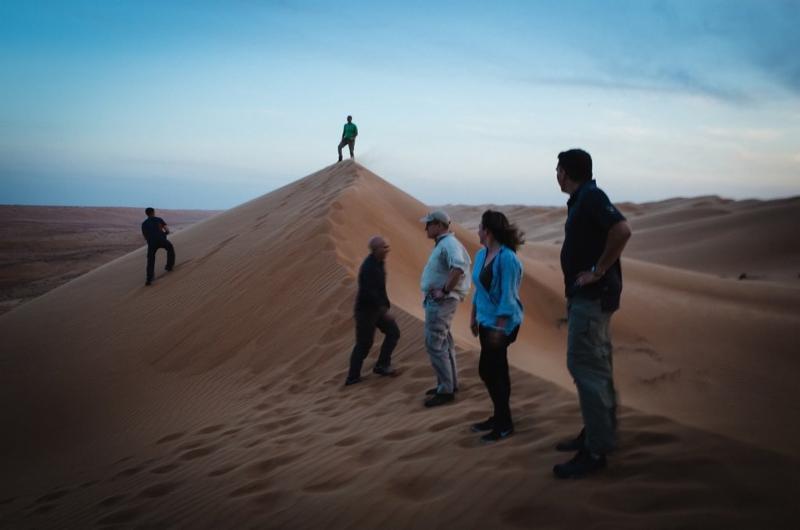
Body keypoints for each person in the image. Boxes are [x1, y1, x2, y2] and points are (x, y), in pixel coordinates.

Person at [552, 149, 632, 478]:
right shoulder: (582, 199)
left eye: (558, 169)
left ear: (568, 172)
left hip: (593, 295)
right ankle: (599, 432)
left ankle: (596, 451)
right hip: (586, 297)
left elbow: (622, 230)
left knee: (586, 368)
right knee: (596, 366)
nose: (555, 175)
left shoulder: (592, 196)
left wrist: (598, 270)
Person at [469, 210, 524, 443]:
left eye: (480, 227)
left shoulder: (507, 258)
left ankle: (504, 424)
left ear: (488, 232)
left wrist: (499, 329)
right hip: (485, 321)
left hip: (502, 324)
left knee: (492, 370)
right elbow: (478, 290)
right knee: (492, 371)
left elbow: (509, 297)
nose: (478, 231)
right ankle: (500, 416)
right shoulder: (482, 255)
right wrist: (473, 317)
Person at [419, 210, 471, 407]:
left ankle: (446, 390)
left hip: (441, 301)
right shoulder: (445, 244)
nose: (426, 227)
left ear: (440, 225)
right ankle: (449, 384)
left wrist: (444, 290)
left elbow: (458, 268)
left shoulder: (449, 244)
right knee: (444, 342)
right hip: (439, 301)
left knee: (435, 343)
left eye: (429, 223)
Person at [345, 236, 401, 386]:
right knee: (364, 344)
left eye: (387, 247)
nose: (387, 250)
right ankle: (352, 377)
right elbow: (370, 292)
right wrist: (384, 310)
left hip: (378, 309)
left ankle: (382, 365)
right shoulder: (369, 267)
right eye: (384, 247)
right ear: (375, 250)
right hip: (366, 312)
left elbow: (380, 289)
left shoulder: (380, 263)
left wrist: (386, 306)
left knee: (393, 333)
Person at [141, 207, 176, 286]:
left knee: (150, 259)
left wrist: (150, 239)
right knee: (170, 248)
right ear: (153, 212)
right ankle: (169, 266)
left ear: (146, 214)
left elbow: (145, 236)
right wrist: (164, 234)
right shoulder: (159, 219)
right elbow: (167, 230)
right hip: (161, 240)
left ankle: (149, 278)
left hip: (151, 243)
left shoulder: (144, 224)